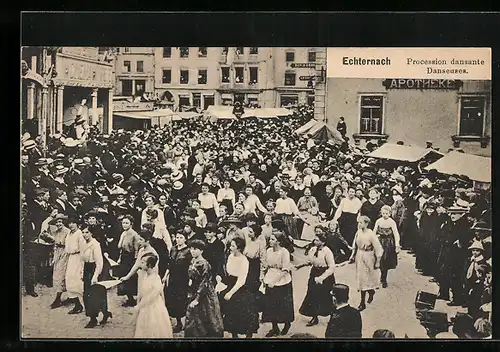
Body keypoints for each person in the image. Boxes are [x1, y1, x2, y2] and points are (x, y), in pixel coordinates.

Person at [219, 237, 259, 338]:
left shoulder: (244, 260)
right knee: (229, 311)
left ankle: (248, 336)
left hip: (240, 286)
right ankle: (234, 335)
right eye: (230, 245)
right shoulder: (230, 256)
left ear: (239, 248)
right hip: (230, 283)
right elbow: (228, 272)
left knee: (244, 310)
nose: (230, 247)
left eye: (233, 246)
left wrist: (230, 293)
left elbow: (241, 280)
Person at [184, 239, 224, 338]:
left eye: (195, 249)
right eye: (191, 249)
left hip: (204, 292)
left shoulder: (204, 263)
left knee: (206, 317)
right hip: (194, 290)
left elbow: (205, 282)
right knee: (193, 318)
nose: (192, 251)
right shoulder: (193, 261)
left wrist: (197, 298)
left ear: (201, 251)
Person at [296, 232, 336, 327]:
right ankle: (314, 317)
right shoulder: (313, 249)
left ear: (323, 242)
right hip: (314, 273)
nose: (315, 241)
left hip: (325, 275)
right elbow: (310, 261)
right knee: (312, 294)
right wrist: (300, 265)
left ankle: (332, 317)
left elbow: (331, 267)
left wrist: (322, 278)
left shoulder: (327, 251)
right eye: (315, 239)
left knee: (327, 296)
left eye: (317, 240)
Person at [261, 230, 294, 337]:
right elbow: (265, 266)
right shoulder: (269, 251)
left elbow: (285, 270)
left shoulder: (284, 252)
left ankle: (287, 324)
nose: (270, 241)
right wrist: (262, 276)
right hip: (270, 278)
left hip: (282, 281)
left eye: (272, 239)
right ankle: (274, 328)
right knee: (271, 305)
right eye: (270, 239)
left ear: (278, 241)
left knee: (283, 306)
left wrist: (274, 281)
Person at [132, 254, 173, 338]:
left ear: (149, 265)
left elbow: (154, 295)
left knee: (154, 327)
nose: (140, 264)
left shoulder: (156, 278)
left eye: (143, 262)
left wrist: (139, 306)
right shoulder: (144, 275)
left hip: (154, 307)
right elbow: (141, 291)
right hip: (144, 307)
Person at [349, 215, 383, 311]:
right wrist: (352, 255)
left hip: (369, 257)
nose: (359, 224)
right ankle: (362, 302)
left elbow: (378, 248)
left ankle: (371, 291)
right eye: (358, 222)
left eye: (361, 222)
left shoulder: (371, 234)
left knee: (368, 277)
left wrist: (378, 261)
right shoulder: (358, 232)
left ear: (366, 223)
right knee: (361, 278)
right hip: (359, 256)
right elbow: (354, 244)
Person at [80, 226, 111, 328]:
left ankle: (94, 319)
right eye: (83, 232)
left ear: (91, 233)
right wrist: (81, 272)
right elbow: (82, 260)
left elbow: (99, 263)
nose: (84, 234)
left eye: (87, 232)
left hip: (95, 270)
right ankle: (104, 313)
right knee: (86, 295)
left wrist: (95, 276)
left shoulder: (95, 244)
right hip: (87, 269)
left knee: (95, 295)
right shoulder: (83, 243)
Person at [164, 231, 192, 333]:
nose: (178, 239)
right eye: (177, 237)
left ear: (185, 239)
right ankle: (177, 322)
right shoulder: (173, 249)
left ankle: (183, 322)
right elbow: (169, 264)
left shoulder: (188, 251)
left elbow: (190, 267)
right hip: (173, 278)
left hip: (183, 279)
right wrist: (165, 276)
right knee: (173, 300)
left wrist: (190, 280)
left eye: (181, 237)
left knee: (182, 300)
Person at [372, 205, 400, 288]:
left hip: (388, 243)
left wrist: (397, 244)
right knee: (378, 260)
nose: (385, 215)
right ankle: (380, 275)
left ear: (390, 213)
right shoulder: (378, 221)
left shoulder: (391, 222)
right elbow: (374, 231)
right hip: (380, 242)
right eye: (383, 213)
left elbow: (396, 233)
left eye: (386, 213)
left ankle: (384, 279)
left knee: (386, 261)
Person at [116, 215, 141, 307]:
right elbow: (121, 248)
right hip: (124, 257)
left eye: (127, 223)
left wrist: (136, 261)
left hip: (130, 259)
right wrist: (119, 258)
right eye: (123, 223)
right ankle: (129, 297)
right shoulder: (123, 233)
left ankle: (132, 299)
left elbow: (136, 249)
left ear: (131, 224)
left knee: (130, 278)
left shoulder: (134, 235)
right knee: (123, 278)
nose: (124, 225)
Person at [48, 214, 70, 309]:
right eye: (57, 222)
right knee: (57, 275)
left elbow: (69, 244)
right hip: (58, 253)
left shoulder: (68, 232)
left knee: (62, 275)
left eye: (60, 221)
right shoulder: (56, 232)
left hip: (66, 254)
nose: (58, 223)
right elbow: (55, 245)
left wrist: (61, 244)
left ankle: (58, 299)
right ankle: (68, 296)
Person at [64, 215, 85, 314]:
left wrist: (82, 264)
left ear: (77, 224)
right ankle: (77, 304)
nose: (71, 225)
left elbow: (82, 249)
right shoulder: (69, 233)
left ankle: (81, 305)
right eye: (70, 223)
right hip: (71, 258)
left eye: (73, 223)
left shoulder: (79, 234)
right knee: (69, 280)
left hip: (78, 258)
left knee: (77, 281)